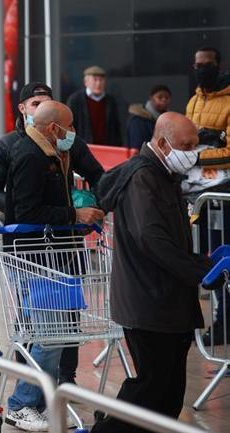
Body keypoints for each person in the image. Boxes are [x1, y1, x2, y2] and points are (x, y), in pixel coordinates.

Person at [93, 112, 214, 433]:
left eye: (195, 144)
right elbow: (151, 237)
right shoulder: (143, 177)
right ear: (162, 142)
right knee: (150, 389)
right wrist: (200, 269)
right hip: (148, 301)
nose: (193, 151)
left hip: (166, 300)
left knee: (168, 390)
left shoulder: (163, 173)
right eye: (186, 145)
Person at [4, 101, 104, 432]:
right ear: (53, 128)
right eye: (70, 126)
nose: (73, 133)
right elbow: (28, 211)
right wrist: (74, 216)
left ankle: (37, 400)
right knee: (50, 337)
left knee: (53, 335)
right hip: (34, 257)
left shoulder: (49, 152)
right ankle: (21, 404)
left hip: (54, 256)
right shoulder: (29, 156)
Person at [0, 82, 104, 214]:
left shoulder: (69, 141)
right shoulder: (3, 147)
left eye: (46, 104)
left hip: (67, 229)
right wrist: (20, 207)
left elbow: (98, 176)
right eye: (36, 104)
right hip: (27, 229)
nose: (41, 108)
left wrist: (94, 207)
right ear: (22, 108)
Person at [184, 46, 230, 345]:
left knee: (224, 259)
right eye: (197, 64)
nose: (201, 69)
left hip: (223, 197)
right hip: (198, 198)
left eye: (207, 65)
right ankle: (213, 322)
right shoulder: (192, 101)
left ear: (218, 65)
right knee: (207, 260)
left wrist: (197, 159)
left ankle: (223, 323)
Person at [66, 65, 122, 146]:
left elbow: (116, 129)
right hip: (84, 148)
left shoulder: (111, 101)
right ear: (86, 82)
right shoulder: (75, 100)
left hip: (107, 148)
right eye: (95, 80)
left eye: (101, 80)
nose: (98, 83)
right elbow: (69, 127)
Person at [126, 84, 171, 150]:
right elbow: (137, 148)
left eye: (167, 98)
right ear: (151, 98)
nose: (164, 100)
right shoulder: (138, 120)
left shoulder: (168, 119)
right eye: (160, 97)